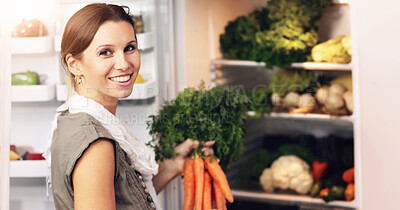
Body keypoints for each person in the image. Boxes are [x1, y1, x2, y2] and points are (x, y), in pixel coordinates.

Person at [43, 3, 214, 210]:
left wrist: (173, 164)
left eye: (129, 48)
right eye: (106, 52)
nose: (124, 63)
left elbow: (125, 198)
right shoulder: (96, 144)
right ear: (74, 64)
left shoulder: (78, 116)